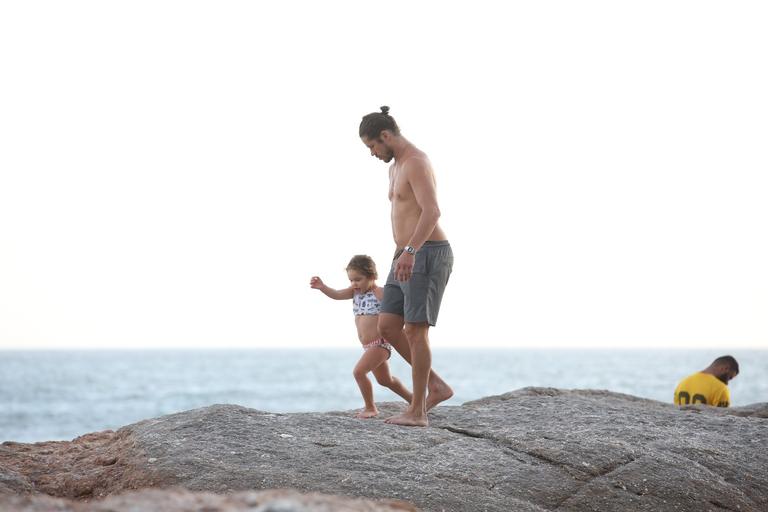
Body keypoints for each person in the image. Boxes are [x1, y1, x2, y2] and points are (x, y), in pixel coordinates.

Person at [359, 106, 454, 427]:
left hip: (425, 252)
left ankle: (418, 412)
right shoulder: (394, 166)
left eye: (372, 146)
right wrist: (404, 252)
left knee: (415, 330)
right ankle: (436, 386)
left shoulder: (416, 163)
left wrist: (412, 250)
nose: (372, 153)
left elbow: (432, 211)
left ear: (385, 136)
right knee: (387, 326)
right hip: (404, 254)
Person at [310, 255, 413, 418]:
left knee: (359, 372)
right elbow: (336, 294)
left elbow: (397, 311)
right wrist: (323, 287)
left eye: (358, 280)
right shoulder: (354, 293)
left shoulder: (380, 293)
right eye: (351, 280)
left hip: (381, 343)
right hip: (368, 346)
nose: (354, 284)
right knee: (385, 380)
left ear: (372, 276)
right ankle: (414, 400)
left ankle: (370, 407)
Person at [674, 355, 739, 407]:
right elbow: (722, 420)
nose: (727, 383)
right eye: (729, 377)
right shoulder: (721, 389)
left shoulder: (682, 383)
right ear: (724, 368)